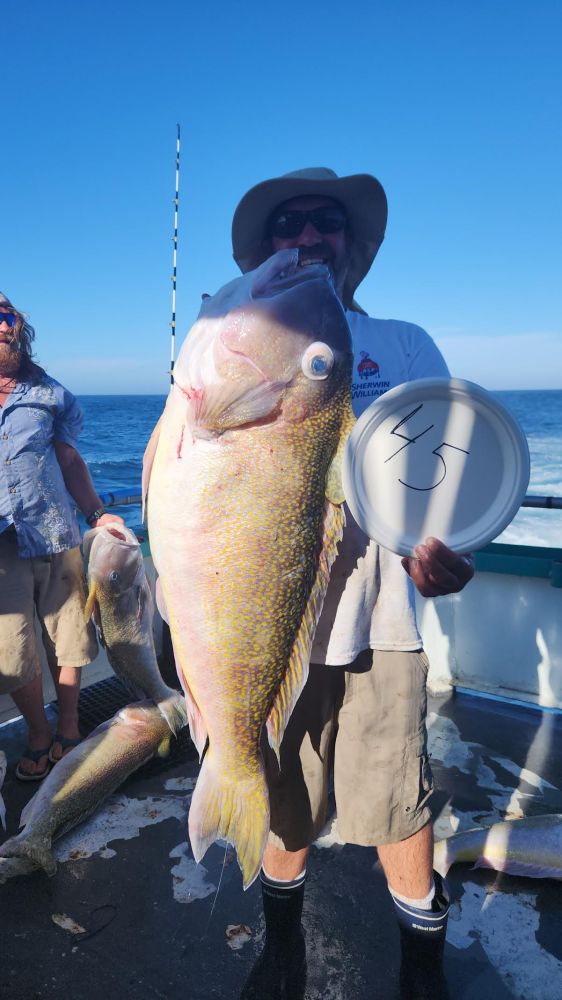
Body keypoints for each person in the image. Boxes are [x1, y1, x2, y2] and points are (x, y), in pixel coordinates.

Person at [230, 169, 475, 999]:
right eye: (288, 222)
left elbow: (445, 486)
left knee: (398, 803)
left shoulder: (404, 345)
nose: (307, 234)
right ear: (267, 249)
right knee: (284, 802)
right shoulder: (234, 353)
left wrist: (449, 553)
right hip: (272, 622)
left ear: (354, 244)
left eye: (326, 221)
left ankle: (422, 967)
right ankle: (282, 948)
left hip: (383, 628)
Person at [0, 292, 123, 781]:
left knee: (69, 636)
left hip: (55, 531)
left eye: (5, 315)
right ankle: (37, 732)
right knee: (13, 649)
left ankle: (69, 724)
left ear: (18, 325)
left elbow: (70, 459)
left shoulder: (52, 394)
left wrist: (96, 513)